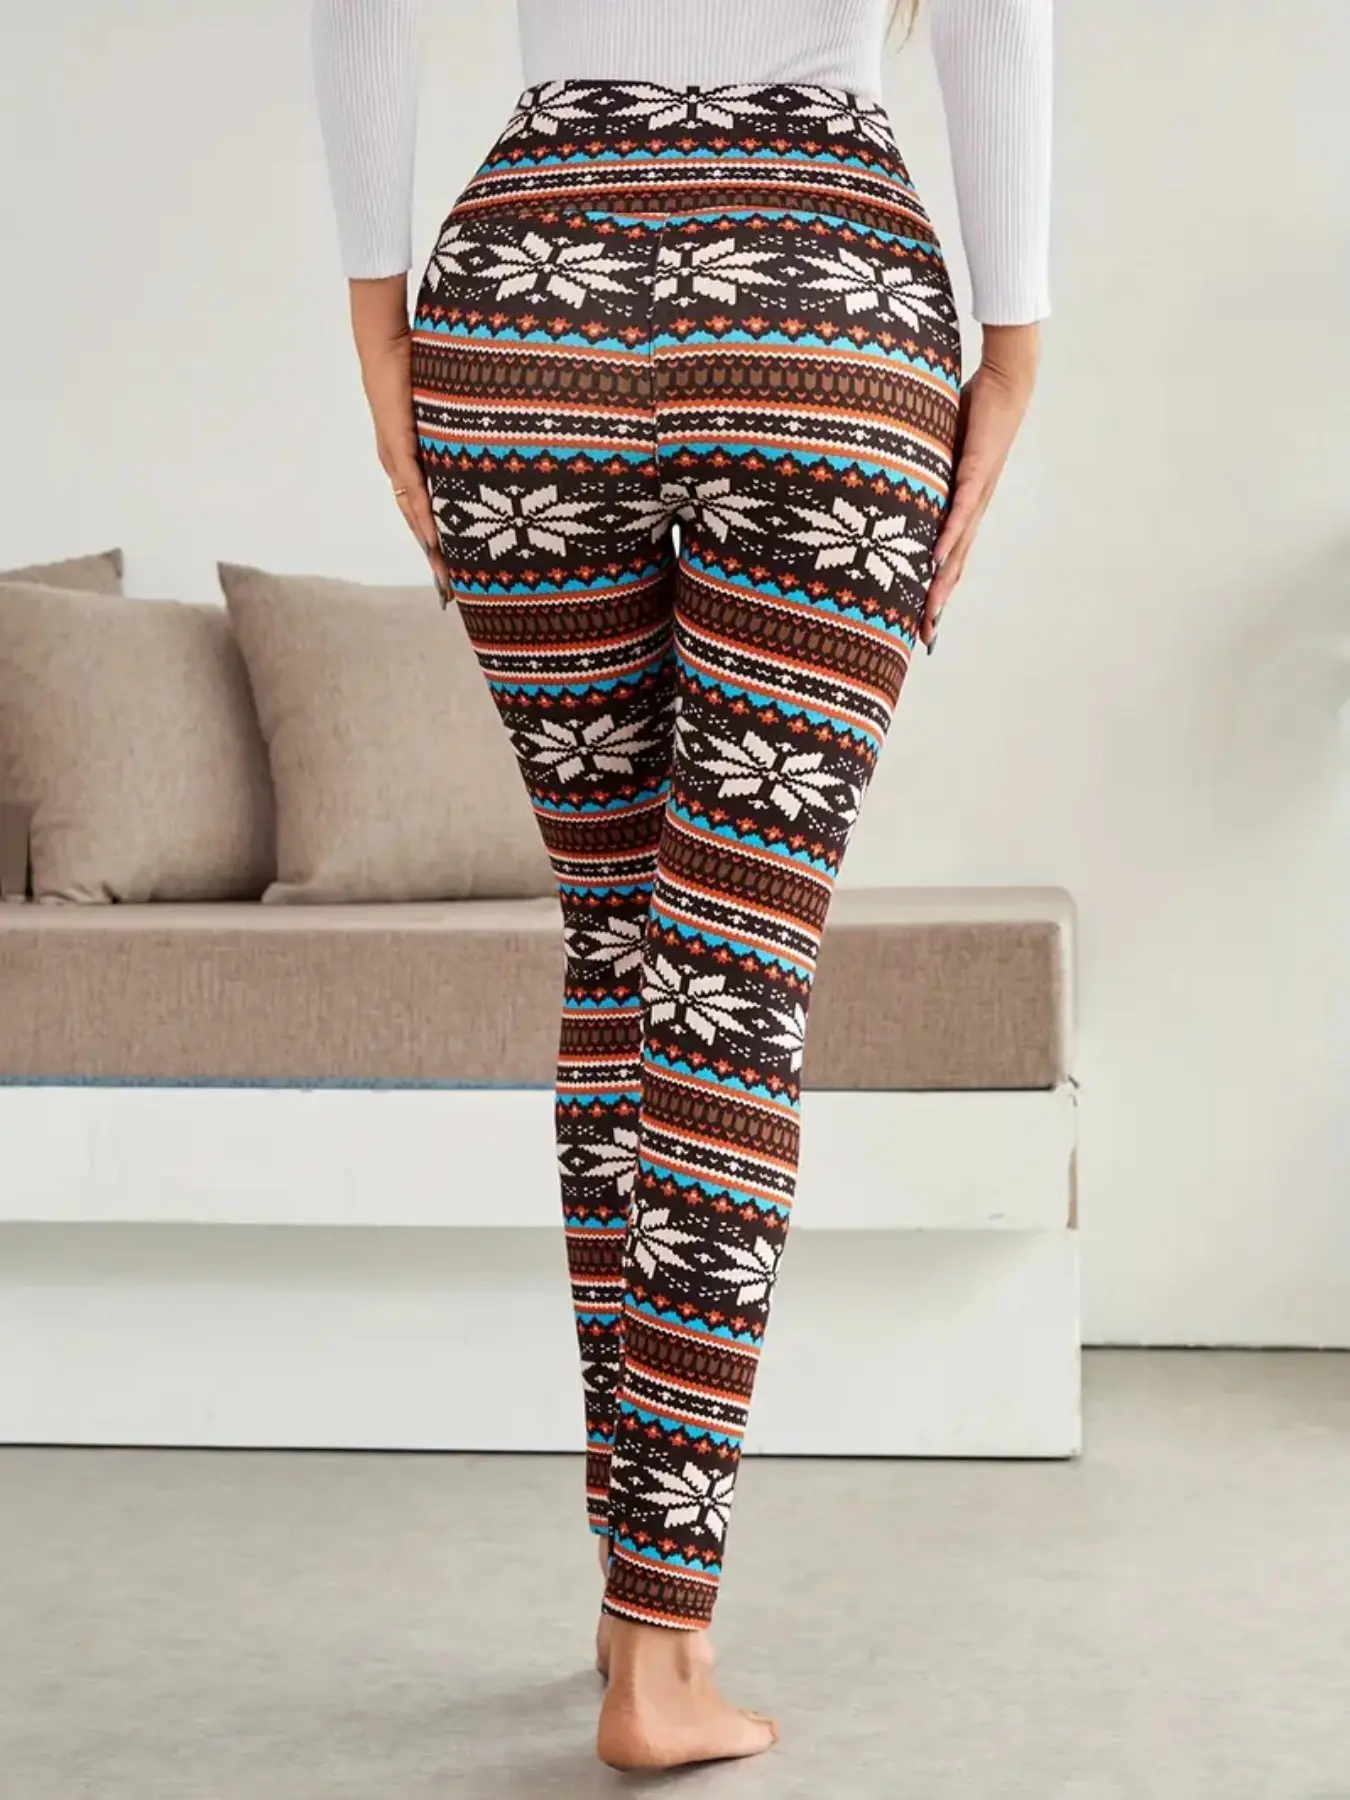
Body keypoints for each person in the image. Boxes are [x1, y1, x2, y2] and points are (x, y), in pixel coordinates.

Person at [313, 0, 1052, 1771]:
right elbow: (998, 21)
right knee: (732, 971)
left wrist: (377, 328)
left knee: (622, 945)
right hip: (829, 310)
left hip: (528, 306)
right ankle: (659, 1648)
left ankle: (634, 1602)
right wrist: (1014, 351)